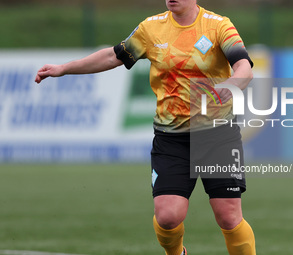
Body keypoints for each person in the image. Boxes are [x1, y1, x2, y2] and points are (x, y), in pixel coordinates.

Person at [35, 0, 256, 254]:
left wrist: (229, 87)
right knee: (168, 217)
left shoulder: (218, 26)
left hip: (217, 135)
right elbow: (112, 56)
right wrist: (64, 68)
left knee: (228, 215)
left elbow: (244, 68)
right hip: (171, 137)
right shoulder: (151, 28)